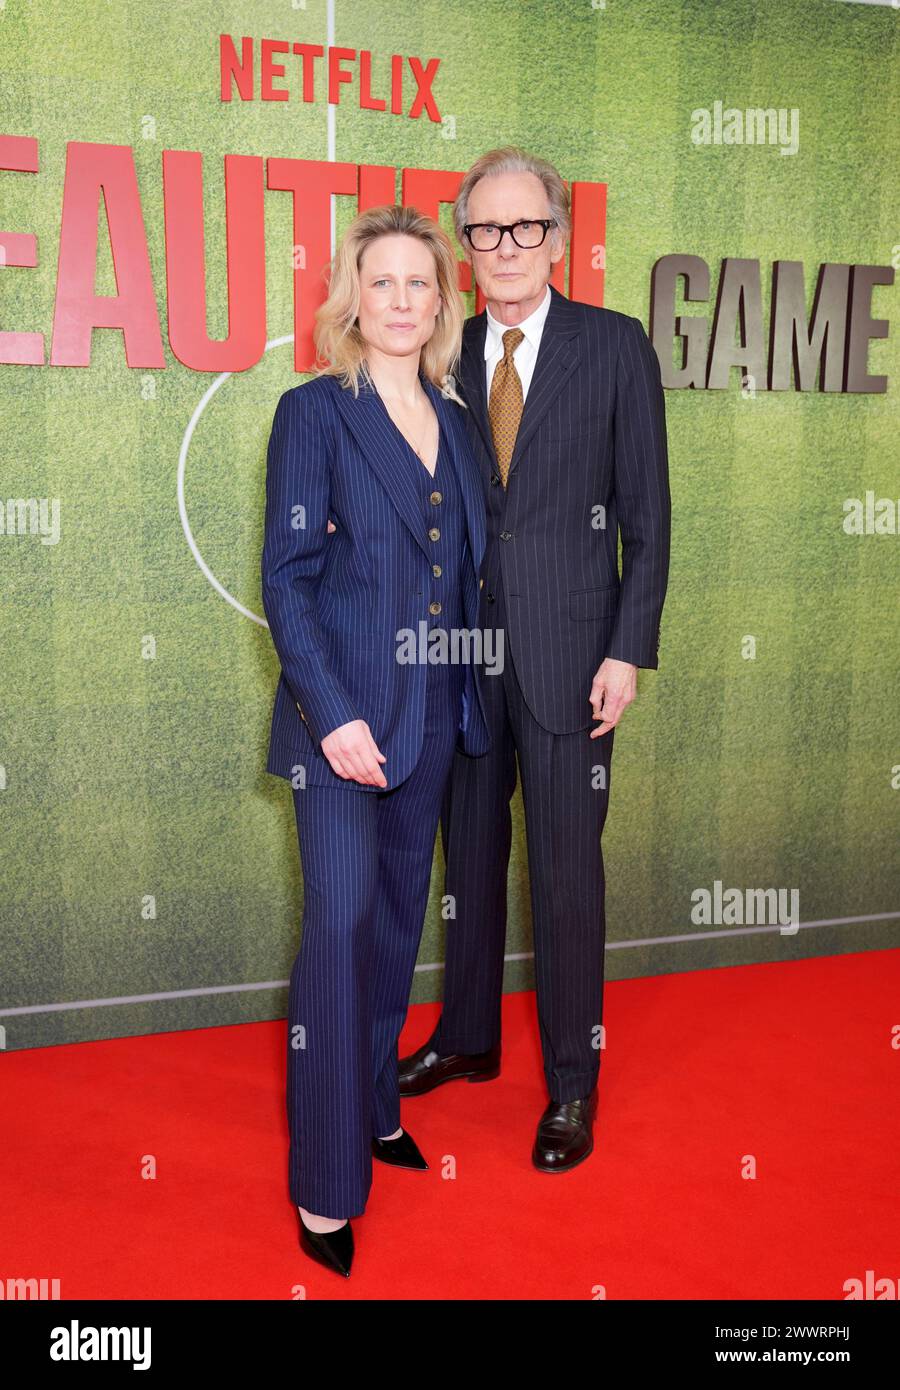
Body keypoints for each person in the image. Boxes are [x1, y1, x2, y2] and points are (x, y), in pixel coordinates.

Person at [399, 147, 671, 1174]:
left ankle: (571, 1083)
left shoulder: (614, 347)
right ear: (463, 245)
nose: (504, 248)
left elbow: (647, 518)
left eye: (525, 228)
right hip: (464, 662)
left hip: (572, 664)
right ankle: (468, 1037)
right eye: (484, 231)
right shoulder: (439, 348)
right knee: (466, 863)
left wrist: (626, 651)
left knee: (565, 879)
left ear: (557, 238)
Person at [261, 205, 490, 1277]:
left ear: (445, 301)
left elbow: (465, 574)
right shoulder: (314, 414)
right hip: (339, 728)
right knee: (342, 927)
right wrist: (336, 714)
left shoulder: (458, 419)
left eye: (420, 283)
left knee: (400, 923)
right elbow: (289, 581)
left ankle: (375, 1104)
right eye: (382, 283)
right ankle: (321, 1186)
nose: (402, 301)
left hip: (434, 719)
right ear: (354, 299)